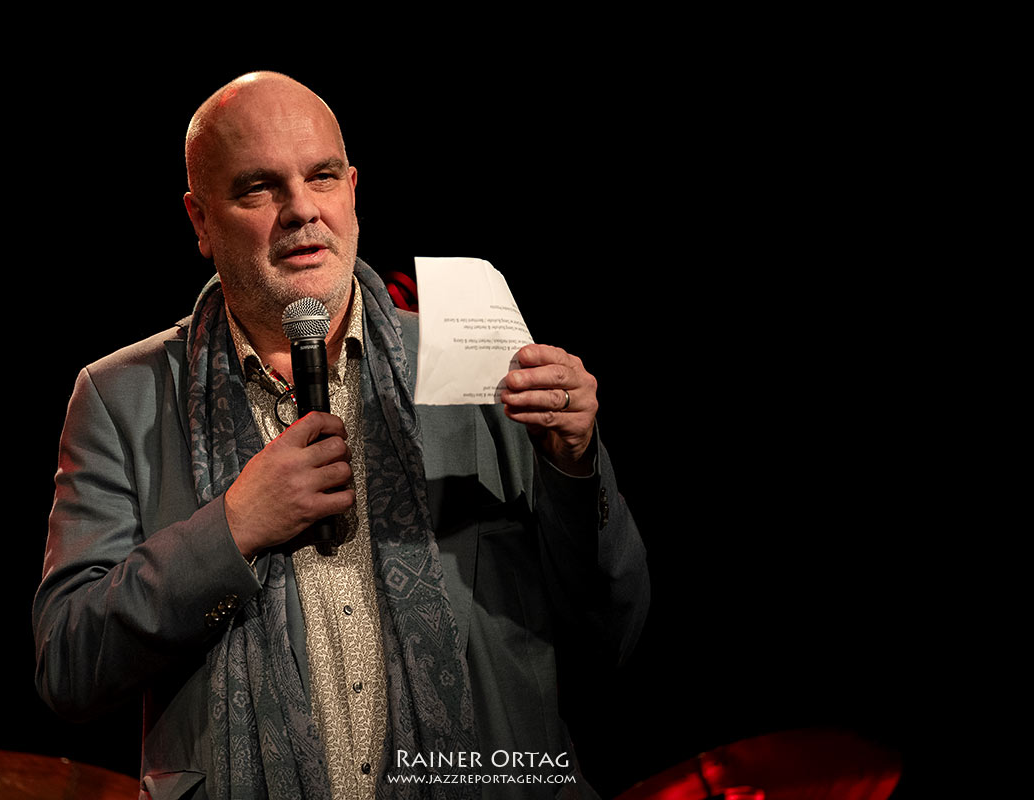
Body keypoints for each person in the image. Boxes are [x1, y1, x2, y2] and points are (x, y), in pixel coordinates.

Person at [33, 71, 649, 800]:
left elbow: (610, 632)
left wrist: (576, 467)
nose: (301, 210)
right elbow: (69, 663)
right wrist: (233, 529)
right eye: (259, 188)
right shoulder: (119, 396)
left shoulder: (481, 362)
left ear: (352, 187)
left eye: (321, 176)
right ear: (200, 220)